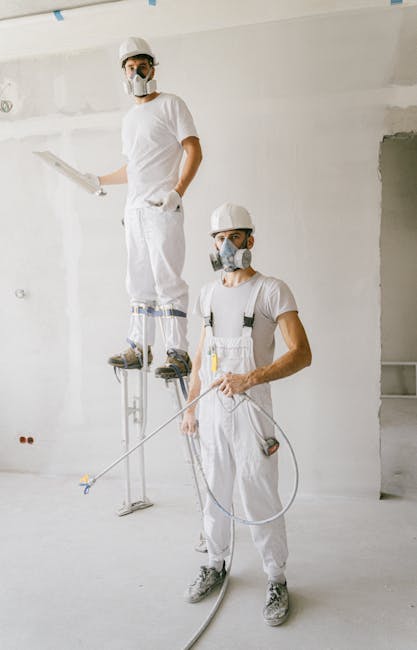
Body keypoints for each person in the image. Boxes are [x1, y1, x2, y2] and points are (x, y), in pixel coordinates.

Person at [180, 202, 311, 626]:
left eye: (234, 236)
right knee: (215, 492)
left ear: (250, 241)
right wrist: (191, 404)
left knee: (259, 496)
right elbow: (201, 355)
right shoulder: (207, 293)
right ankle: (215, 565)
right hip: (214, 411)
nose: (225, 245)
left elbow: (302, 354)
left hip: (253, 412)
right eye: (219, 238)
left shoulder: (272, 291)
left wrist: (252, 377)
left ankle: (276, 577)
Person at [93, 36, 202, 378]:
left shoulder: (171, 105)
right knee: (138, 282)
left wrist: (178, 192)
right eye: (130, 68)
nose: (136, 72)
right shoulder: (129, 119)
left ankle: (178, 352)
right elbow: (134, 168)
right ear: (123, 74)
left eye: (142, 66)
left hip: (162, 206)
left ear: (153, 68)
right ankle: (139, 347)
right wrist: (98, 180)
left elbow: (194, 150)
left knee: (166, 279)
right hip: (135, 210)